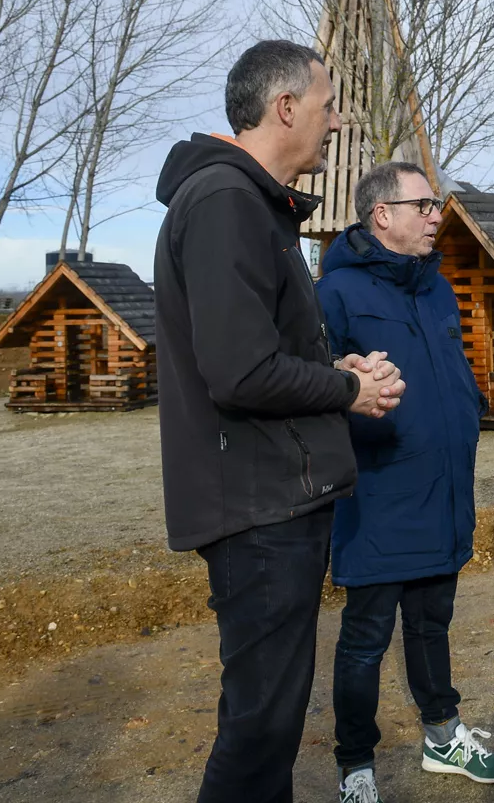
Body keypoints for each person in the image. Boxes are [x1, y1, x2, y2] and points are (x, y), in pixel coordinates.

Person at [154, 39, 405, 803]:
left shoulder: (247, 204)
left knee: (268, 722)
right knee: (260, 733)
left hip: (271, 497)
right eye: (329, 108)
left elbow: (260, 351)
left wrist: (340, 372)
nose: (336, 124)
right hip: (258, 508)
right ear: (285, 107)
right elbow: (239, 370)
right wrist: (345, 390)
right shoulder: (228, 202)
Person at [316, 161, 494, 801]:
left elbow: (450, 371)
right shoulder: (335, 294)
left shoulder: (438, 288)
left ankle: (443, 737)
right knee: (365, 639)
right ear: (383, 215)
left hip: (445, 488)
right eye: (425, 205)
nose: (437, 216)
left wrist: (470, 410)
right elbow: (317, 388)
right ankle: (356, 767)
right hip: (378, 497)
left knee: (433, 625)